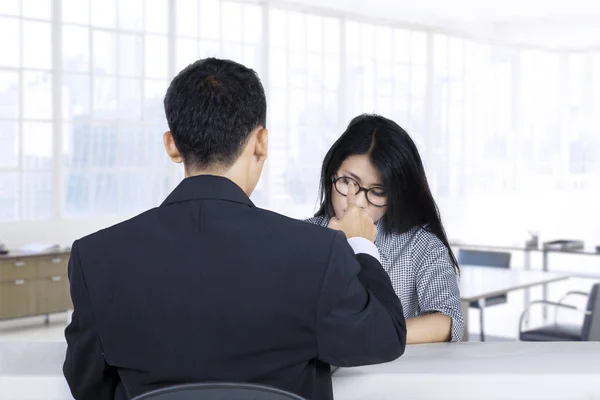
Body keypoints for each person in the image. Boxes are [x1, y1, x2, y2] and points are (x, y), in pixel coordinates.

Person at [63, 59, 406, 400]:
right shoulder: (318, 251)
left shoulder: (95, 257)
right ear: (261, 142)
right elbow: (386, 336)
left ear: (171, 145)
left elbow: (87, 384)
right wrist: (360, 243)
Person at [306, 114, 463, 344]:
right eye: (349, 182)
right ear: (332, 172)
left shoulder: (421, 245)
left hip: (389, 378)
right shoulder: (301, 235)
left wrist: (369, 335)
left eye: (377, 192)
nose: (357, 202)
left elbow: (447, 322)